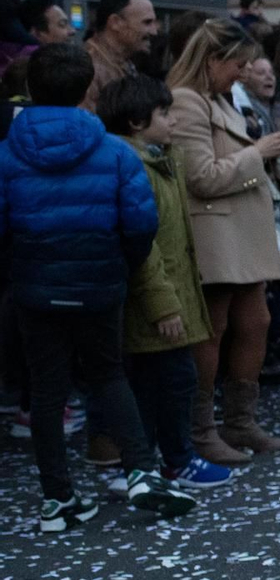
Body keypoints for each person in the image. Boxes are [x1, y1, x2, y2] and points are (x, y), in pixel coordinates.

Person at [0, 44, 194, 529]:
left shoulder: (6, 153)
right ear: (89, 88)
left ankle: (57, 499)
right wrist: (118, 266)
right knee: (108, 375)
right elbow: (139, 223)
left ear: (29, 89)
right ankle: (141, 472)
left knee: (48, 390)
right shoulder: (113, 151)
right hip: (100, 282)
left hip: (34, 284)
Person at [166, 19, 280, 461]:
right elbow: (200, 177)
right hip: (215, 232)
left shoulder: (217, 99)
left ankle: (240, 422)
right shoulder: (186, 101)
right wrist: (257, 153)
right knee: (213, 331)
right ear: (213, 59)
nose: (243, 73)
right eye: (238, 64)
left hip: (238, 230)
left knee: (254, 324)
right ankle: (202, 430)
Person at [100, 75, 234, 490]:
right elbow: (145, 244)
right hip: (156, 300)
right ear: (138, 122)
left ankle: (144, 463)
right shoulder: (135, 167)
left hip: (163, 293)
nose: (174, 121)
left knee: (157, 382)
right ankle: (174, 459)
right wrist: (164, 304)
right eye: (164, 114)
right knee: (172, 382)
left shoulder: (157, 159)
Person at [83, 0, 158, 114]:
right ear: (115, 22)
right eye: (147, 22)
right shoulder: (86, 68)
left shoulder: (123, 63)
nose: (154, 32)